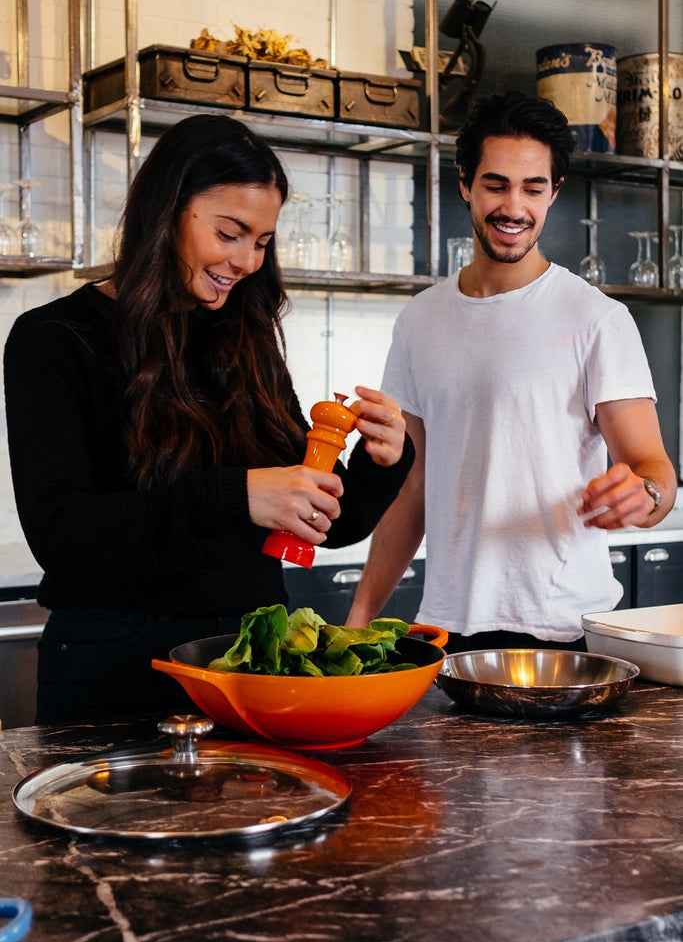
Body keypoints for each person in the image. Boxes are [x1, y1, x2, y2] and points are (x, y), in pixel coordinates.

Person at [3, 113, 414, 724]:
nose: (247, 260)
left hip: (251, 667)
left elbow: (321, 525)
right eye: (230, 233)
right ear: (168, 211)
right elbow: (62, 536)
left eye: (263, 241)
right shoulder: (55, 339)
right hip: (114, 675)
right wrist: (238, 496)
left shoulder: (246, 339)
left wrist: (381, 462)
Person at [346, 90, 677, 652]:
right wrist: (357, 620)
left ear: (555, 193)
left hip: (565, 631)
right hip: (446, 630)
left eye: (533, 188)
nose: (514, 207)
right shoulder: (421, 319)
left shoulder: (597, 318)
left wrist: (642, 495)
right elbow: (413, 484)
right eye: (496, 185)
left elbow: (655, 472)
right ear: (464, 184)